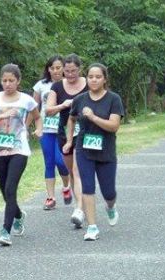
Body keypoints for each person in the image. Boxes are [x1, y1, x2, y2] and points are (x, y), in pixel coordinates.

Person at [0, 63, 41, 246]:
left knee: (10, 189)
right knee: (4, 192)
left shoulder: (26, 100)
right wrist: (4, 115)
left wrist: (38, 129)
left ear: (18, 81)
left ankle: (5, 231)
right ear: (1, 81)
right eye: (4, 80)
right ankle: (17, 215)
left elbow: (37, 116)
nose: (8, 84)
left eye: (11, 80)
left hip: (19, 149)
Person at [64, 63, 124, 241]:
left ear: (105, 79)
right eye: (90, 77)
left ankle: (110, 207)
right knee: (87, 187)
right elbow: (71, 119)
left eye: (98, 77)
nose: (94, 80)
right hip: (84, 149)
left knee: (109, 192)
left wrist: (93, 117)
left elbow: (114, 126)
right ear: (87, 78)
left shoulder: (114, 99)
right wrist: (69, 141)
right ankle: (92, 226)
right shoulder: (80, 100)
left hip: (106, 150)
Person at [46, 54, 88, 228]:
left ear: (80, 69)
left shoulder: (89, 82)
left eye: (74, 71)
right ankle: (81, 205)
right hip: (64, 132)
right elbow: (48, 110)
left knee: (78, 171)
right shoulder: (56, 87)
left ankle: (79, 209)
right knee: (71, 171)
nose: (70, 75)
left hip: (86, 131)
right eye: (67, 71)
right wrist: (64, 105)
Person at [32, 55, 71, 210]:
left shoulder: (68, 84)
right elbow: (33, 108)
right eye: (52, 68)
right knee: (49, 162)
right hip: (46, 129)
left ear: (63, 68)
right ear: (48, 69)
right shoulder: (41, 85)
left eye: (58, 67)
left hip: (63, 129)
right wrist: (36, 127)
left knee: (61, 161)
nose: (55, 71)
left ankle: (66, 186)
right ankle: (50, 197)